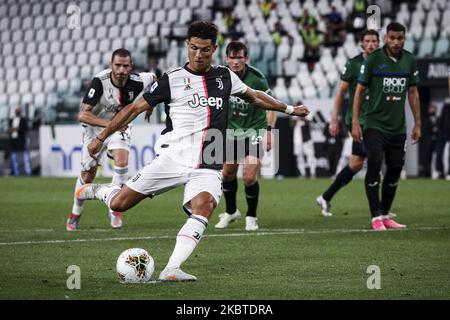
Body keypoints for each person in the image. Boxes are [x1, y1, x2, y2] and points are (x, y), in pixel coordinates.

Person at [75, 21, 310, 281]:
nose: (199, 55)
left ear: (214, 49)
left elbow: (254, 96)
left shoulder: (224, 76)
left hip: (209, 160)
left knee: (205, 206)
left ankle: (172, 268)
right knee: (120, 203)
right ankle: (96, 190)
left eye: (205, 50)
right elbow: (133, 110)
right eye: (194, 48)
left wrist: (288, 109)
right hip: (173, 157)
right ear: (188, 46)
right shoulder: (172, 79)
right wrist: (101, 137)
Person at [65, 48, 156, 231]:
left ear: (131, 66)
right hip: (94, 127)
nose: (121, 70)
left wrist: (151, 104)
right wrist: (111, 124)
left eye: (125, 66)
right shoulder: (100, 81)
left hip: (119, 126)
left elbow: (155, 78)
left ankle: (114, 208)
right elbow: (83, 115)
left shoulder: (138, 81)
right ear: (110, 65)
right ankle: (75, 213)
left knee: (122, 161)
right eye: (118, 65)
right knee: (88, 174)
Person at [352, 22, 421, 231]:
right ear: (386, 38)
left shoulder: (409, 61)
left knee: (395, 169)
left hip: (397, 127)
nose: (396, 42)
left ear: (404, 38)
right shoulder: (373, 60)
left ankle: (384, 213)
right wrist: (355, 121)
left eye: (400, 38)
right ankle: (375, 217)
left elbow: (413, 93)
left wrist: (418, 123)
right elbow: (359, 92)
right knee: (374, 163)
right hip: (374, 124)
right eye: (392, 38)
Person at [213, 41, 277, 231]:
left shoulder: (257, 78)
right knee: (228, 173)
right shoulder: (220, 76)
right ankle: (231, 212)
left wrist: (268, 131)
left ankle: (251, 216)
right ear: (226, 59)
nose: (235, 62)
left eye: (239, 57)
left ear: (246, 58)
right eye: (232, 58)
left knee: (249, 175)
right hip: (232, 131)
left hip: (254, 129)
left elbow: (272, 104)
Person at [316, 29, 380, 216]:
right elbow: (340, 92)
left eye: (374, 41)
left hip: (379, 121)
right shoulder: (354, 64)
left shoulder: (383, 64)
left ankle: (326, 197)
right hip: (360, 122)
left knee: (356, 163)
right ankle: (379, 210)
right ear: (361, 43)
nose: (371, 44)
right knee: (375, 160)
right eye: (367, 41)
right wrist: (333, 119)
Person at [8, 106, 31, 176]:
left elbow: (26, 129)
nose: (17, 112)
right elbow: (9, 129)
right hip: (13, 141)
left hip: (21, 141)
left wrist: (17, 129)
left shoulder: (23, 120)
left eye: (18, 111)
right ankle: (16, 172)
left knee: (24, 157)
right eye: (16, 110)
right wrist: (11, 130)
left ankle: (27, 172)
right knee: (14, 157)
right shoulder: (11, 120)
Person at [434, 99, 450, 179]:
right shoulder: (445, 106)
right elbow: (441, 123)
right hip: (443, 136)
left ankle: (447, 173)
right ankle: (439, 171)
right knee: (440, 154)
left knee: (447, 155)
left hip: (446, 136)